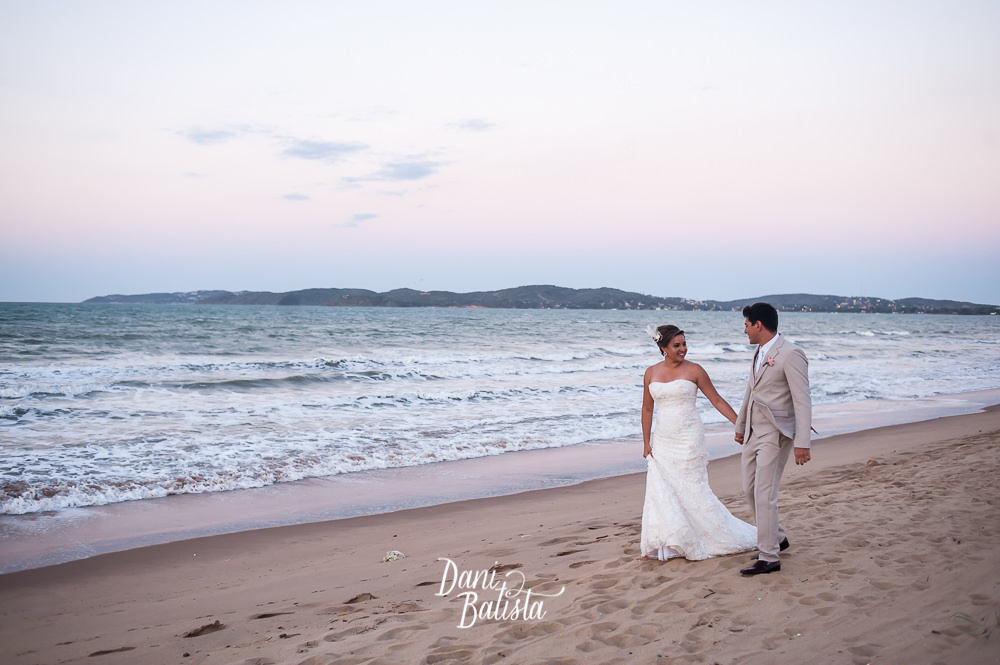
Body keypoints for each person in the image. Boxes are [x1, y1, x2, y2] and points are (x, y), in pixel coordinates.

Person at [640, 324, 757, 561]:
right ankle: (672, 541)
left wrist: (739, 424)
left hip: (688, 438)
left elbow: (716, 399)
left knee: (693, 488)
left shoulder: (695, 371)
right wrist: (646, 442)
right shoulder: (650, 373)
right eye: (677, 345)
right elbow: (647, 408)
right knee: (663, 490)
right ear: (663, 348)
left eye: (684, 344)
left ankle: (705, 536)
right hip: (663, 439)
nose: (683, 349)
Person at [734, 302, 812, 576]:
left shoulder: (790, 354)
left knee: (765, 492)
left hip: (776, 431)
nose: (744, 330)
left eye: (746, 325)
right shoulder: (759, 352)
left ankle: (769, 557)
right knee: (749, 489)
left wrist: (802, 442)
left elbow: (802, 401)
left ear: (758, 325)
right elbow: (750, 392)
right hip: (754, 431)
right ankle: (777, 537)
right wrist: (741, 424)